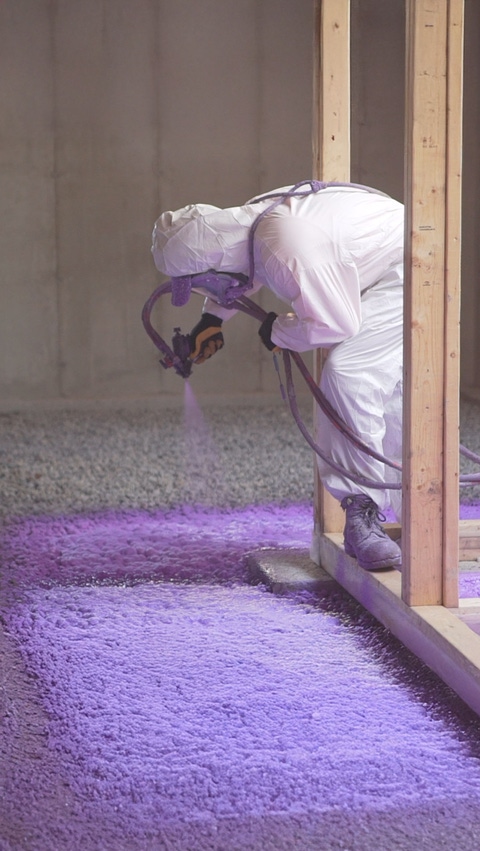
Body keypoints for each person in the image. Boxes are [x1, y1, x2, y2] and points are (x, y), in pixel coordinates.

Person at [151, 181, 404, 571]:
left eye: (201, 281)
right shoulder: (253, 225)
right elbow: (242, 270)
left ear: (214, 263)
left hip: (407, 264)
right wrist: (211, 319)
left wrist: (276, 331)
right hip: (371, 256)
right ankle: (414, 508)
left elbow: (334, 323)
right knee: (387, 387)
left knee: (351, 372)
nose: (206, 289)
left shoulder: (285, 246)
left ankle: (363, 513)